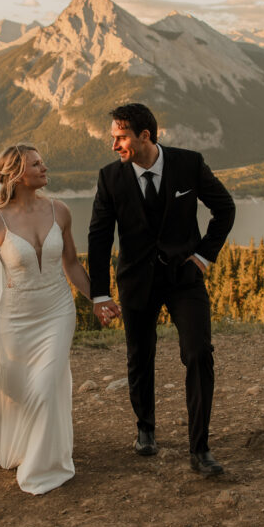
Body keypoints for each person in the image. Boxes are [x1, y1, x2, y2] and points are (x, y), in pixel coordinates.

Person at [88, 103, 235, 477]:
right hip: (137, 281)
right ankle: (145, 429)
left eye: (120, 137)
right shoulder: (110, 178)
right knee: (140, 355)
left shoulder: (189, 164)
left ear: (145, 136)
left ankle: (200, 449)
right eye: (113, 138)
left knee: (198, 352)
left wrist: (203, 256)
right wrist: (100, 293)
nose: (114, 145)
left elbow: (225, 208)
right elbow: (100, 237)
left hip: (185, 278)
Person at [0, 144, 90, 495]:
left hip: (58, 310)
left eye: (43, 161)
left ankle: (44, 467)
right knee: (20, 390)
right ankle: (23, 446)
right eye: (36, 163)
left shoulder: (60, 210)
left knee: (45, 386)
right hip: (16, 317)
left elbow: (72, 263)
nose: (45, 167)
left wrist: (99, 298)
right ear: (16, 174)